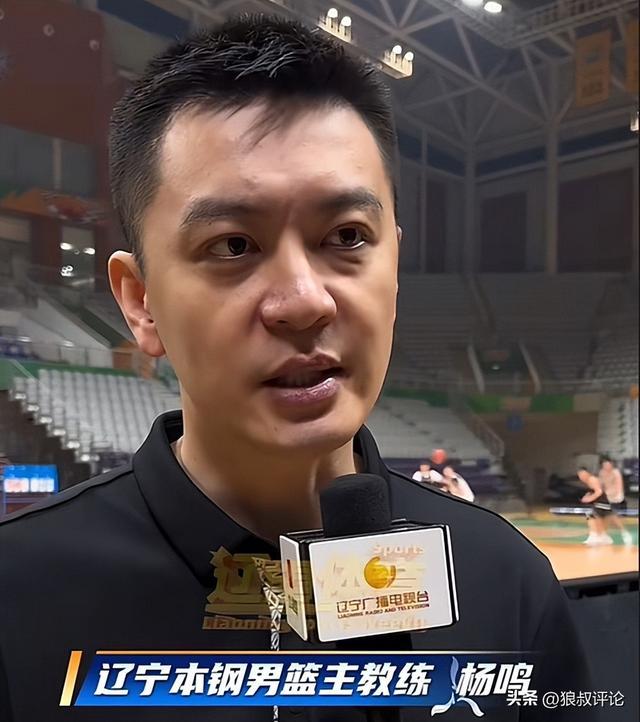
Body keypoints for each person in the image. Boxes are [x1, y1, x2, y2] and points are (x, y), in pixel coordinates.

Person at [0, 15, 598, 722]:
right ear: (141, 302)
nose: (305, 301)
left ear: (395, 268)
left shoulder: (508, 581)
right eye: (232, 245)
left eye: (346, 236)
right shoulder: (19, 598)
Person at [598, 455, 633, 545]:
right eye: (604, 465)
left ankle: (624, 533)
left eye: (608, 465)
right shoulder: (601, 473)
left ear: (611, 464)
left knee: (612, 517)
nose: (607, 467)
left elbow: (619, 487)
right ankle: (604, 535)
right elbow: (601, 485)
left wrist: (615, 496)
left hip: (616, 498)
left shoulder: (616, 473)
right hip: (606, 498)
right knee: (605, 517)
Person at [577, 467, 613, 546]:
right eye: (580, 476)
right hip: (600, 504)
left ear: (588, 473)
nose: (582, 477)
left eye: (583, 474)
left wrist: (589, 499)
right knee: (593, 518)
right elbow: (594, 491)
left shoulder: (592, 479)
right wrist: (587, 495)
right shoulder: (590, 481)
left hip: (602, 504)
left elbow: (599, 491)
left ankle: (594, 537)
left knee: (590, 516)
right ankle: (601, 537)